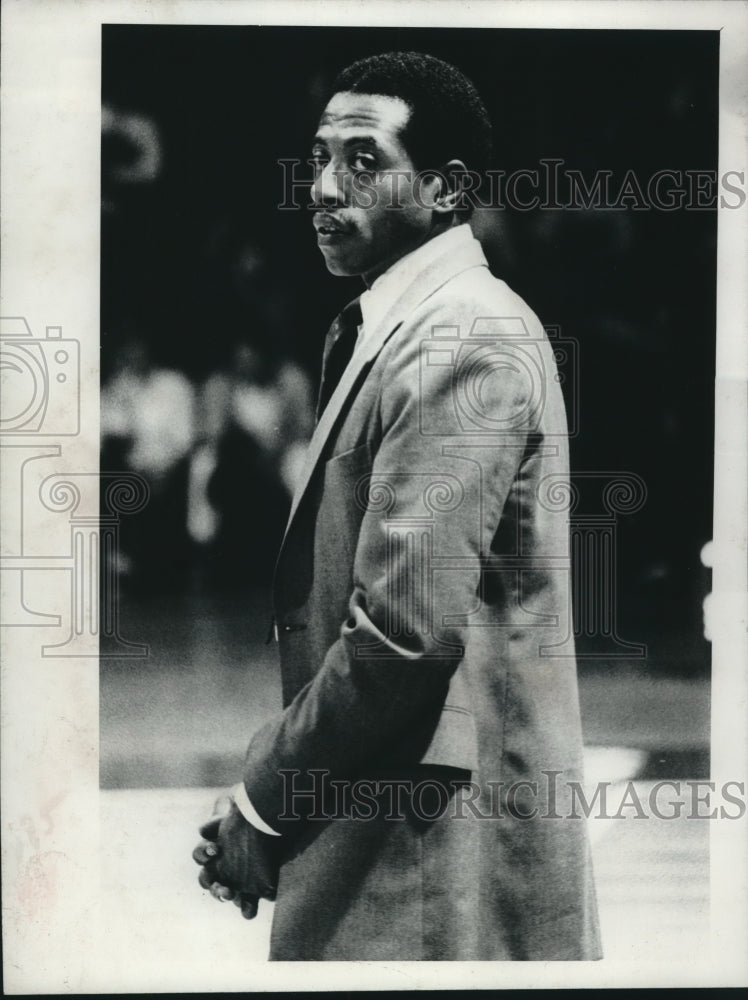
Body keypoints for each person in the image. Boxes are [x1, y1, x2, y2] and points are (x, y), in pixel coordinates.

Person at [193, 51, 602, 961]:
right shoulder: (409, 326)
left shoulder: (460, 334)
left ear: (449, 188)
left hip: (431, 848)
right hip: (405, 825)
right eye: (318, 158)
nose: (325, 187)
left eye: (364, 161)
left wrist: (267, 800)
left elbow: (401, 634)